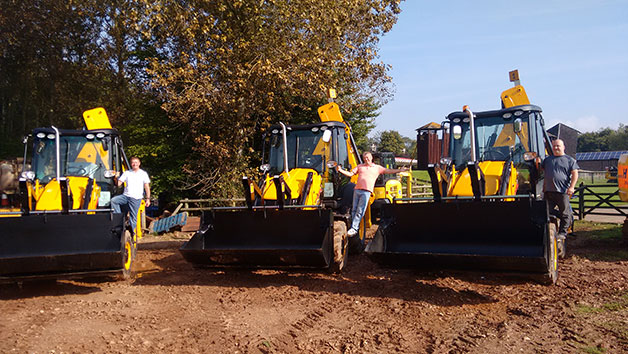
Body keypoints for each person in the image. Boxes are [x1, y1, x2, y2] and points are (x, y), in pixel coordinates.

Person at [337, 151, 409, 237]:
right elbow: (350, 174)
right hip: (357, 190)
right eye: (364, 158)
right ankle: (353, 226)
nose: (366, 159)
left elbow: (388, 171)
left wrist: (399, 170)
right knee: (354, 209)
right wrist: (340, 170)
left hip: (366, 191)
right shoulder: (360, 167)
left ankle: (354, 228)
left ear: (371, 158)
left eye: (367, 158)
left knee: (360, 210)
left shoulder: (377, 168)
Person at [541, 139, 579, 239]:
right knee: (545, 211)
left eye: (558, 146)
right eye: (554, 146)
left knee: (565, 213)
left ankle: (563, 233)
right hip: (548, 191)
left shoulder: (569, 160)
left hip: (562, 192)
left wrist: (572, 187)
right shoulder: (548, 160)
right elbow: (543, 172)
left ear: (563, 147)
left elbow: (575, 174)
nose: (556, 148)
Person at [111, 157, 151, 233]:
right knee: (114, 201)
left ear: (139, 163)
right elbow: (119, 184)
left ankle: (133, 233)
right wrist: (116, 177)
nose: (134, 164)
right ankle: (119, 219)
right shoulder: (127, 173)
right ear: (131, 164)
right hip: (125, 196)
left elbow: (146, 186)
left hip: (136, 198)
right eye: (133, 162)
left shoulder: (143, 174)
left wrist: (148, 199)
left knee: (133, 217)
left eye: (136, 162)